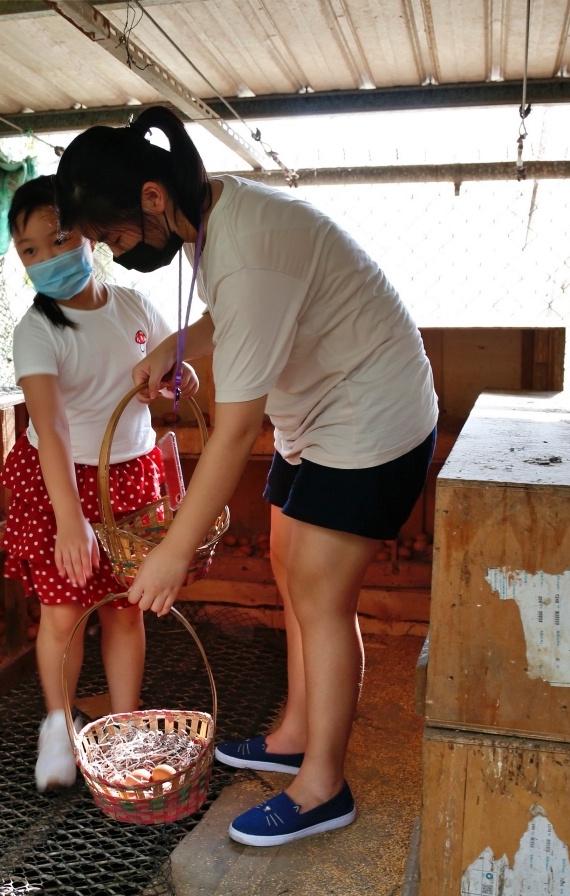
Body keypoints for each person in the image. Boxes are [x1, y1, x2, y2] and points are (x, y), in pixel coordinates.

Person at [55, 107, 439, 847]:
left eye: (110, 234)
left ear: (152, 198)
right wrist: (178, 341)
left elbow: (232, 432)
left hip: (369, 425)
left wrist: (171, 552)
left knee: (322, 597)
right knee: (289, 566)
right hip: (320, 417)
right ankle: (296, 730)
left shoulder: (247, 249)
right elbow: (230, 313)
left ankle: (323, 786)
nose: (110, 250)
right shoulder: (216, 216)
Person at [0, 175, 199, 791]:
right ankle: (58, 729)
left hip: (133, 478)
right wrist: (70, 519)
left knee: (124, 611)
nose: (45, 258)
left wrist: (175, 381)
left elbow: (178, 377)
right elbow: (50, 427)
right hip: (61, 482)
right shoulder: (38, 331)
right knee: (63, 613)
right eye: (29, 249)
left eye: (57, 239)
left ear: (89, 235)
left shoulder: (137, 308)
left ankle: (126, 729)